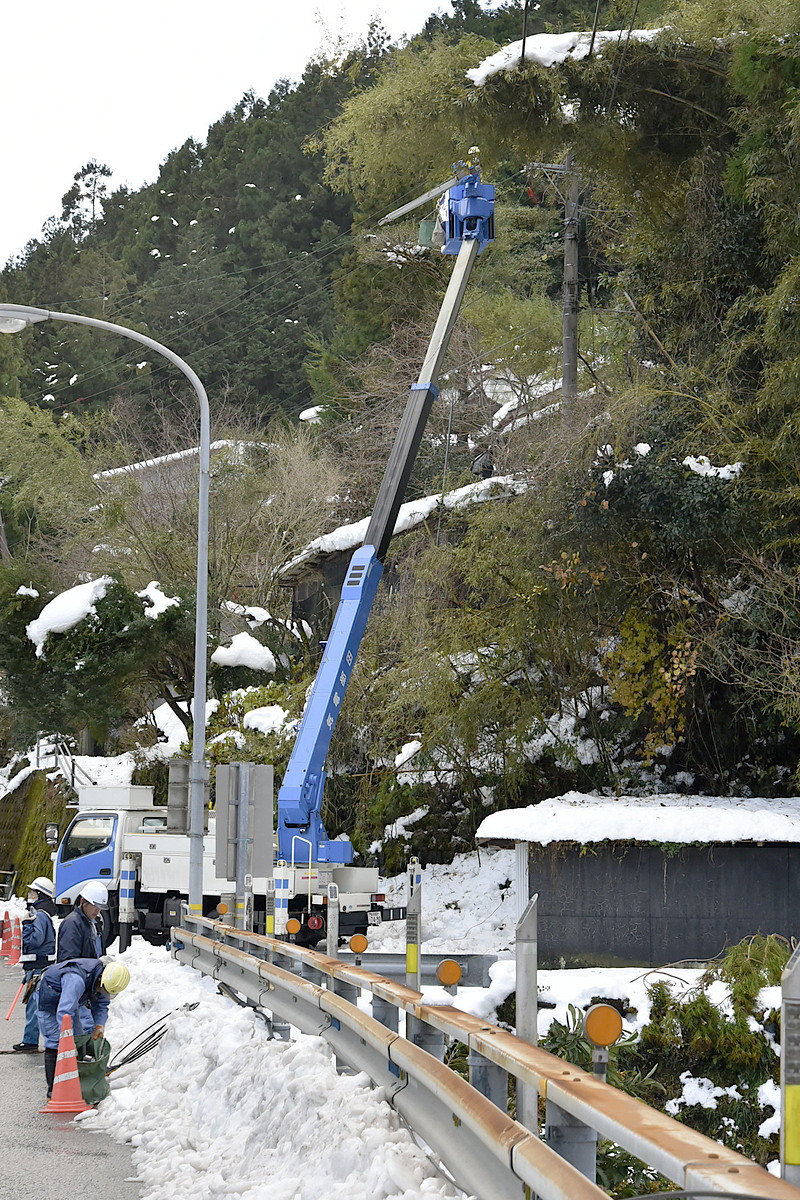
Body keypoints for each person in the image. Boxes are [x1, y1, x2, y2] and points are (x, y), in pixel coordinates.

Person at [37, 957, 130, 1098]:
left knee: (78, 1039)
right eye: (102, 988)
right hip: (50, 1002)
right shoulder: (75, 980)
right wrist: (67, 1041)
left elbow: (101, 1004)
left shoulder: (103, 981)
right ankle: (53, 1090)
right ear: (101, 979)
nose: (102, 991)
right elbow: (64, 1012)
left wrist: (99, 1025)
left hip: (69, 1003)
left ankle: (73, 1083)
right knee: (56, 1041)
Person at [12, 877, 57, 1053]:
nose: (29, 895)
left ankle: (30, 1041)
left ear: (39, 895)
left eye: (32, 892)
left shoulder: (38, 915)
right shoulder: (43, 914)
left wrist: (26, 924)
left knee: (34, 1006)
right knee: (36, 1005)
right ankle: (32, 1040)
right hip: (38, 965)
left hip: (37, 965)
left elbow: (34, 941)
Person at [56, 880, 108, 961]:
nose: (98, 911)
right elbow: (69, 962)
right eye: (95, 906)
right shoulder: (72, 924)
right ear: (83, 901)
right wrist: (96, 964)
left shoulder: (95, 924)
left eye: (100, 907)